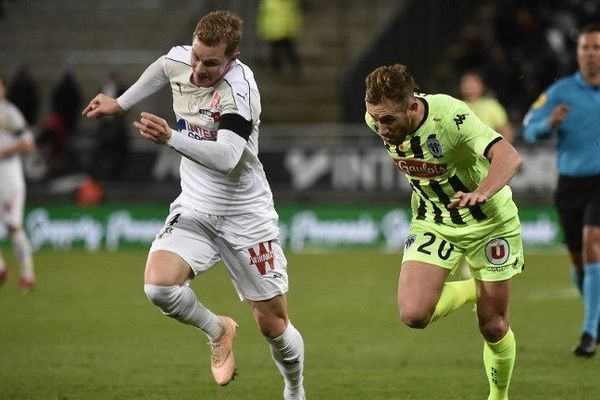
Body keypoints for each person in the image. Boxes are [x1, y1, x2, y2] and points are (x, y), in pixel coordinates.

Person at [82, 11, 305, 400]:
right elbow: (161, 68)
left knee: (273, 324)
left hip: (245, 214)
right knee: (159, 287)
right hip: (197, 205)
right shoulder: (181, 59)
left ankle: (294, 389)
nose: (199, 69)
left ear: (232, 59)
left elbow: (226, 158)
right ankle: (218, 329)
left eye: (211, 63)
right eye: (197, 58)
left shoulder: (240, 91)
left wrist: (170, 137)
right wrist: (120, 103)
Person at [364, 64, 524, 400]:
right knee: (413, 314)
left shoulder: (451, 116)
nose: (380, 128)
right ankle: (472, 289)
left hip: (489, 223)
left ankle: (499, 395)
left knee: (493, 325)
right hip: (434, 221)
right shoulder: (378, 117)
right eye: (374, 118)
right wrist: (382, 119)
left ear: (412, 106)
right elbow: (381, 120)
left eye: (388, 120)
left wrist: (483, 191)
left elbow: (509, 156)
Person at [523, 24, 600, 358]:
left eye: (597, 48)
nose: (591, 54)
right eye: (585, 48)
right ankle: (596, 320)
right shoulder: (561, 91)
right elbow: (529, 128)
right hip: (570, 184)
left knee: (592, 244)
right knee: (579, 263)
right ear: (577, 52)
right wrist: (548, 124)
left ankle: (589, 332)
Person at [0, 76, 36, 293]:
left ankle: (28, 274)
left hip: (9, 175)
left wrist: (5, 152)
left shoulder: (9, 113)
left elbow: (27, 142)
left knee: (13, 226)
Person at [459, 70, 515, 143]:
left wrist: (500, 151)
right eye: (466, 83)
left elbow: (507, 132)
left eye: (474, 82)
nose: (470, 86)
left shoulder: (492, 105)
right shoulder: (457, 105)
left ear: (482, 86)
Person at [257, 0, 303, 76]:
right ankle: (277, 72)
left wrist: (295, 29)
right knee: (275, 53)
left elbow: (296, 16)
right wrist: (263, 30)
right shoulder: (268, 2)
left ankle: (295, 71)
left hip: (286, 31)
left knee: (290, 52)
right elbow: (263, 17)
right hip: (274, 32)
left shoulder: (289, 2)